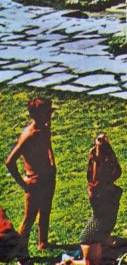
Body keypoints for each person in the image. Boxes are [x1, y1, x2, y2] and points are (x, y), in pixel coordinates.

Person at [5, 97, 55, 257]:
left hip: (48, 177)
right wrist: (24, 184)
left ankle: (43, 243)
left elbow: (48, 145)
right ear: (37, 114)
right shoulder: (29, 135)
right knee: (29, 218)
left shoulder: (44, 127)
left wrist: (53, 164)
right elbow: (9, 162)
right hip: (35, 182)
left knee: (46, 211)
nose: (50, 115)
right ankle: (19, 252)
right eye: (47, 112)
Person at [79, 134, 121, 265]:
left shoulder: (99, 189)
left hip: (96, 237)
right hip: (98, 236)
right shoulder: (108, 190)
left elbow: (99, 175)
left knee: (90, 236)